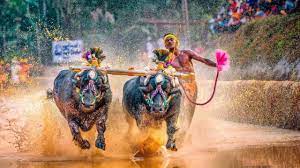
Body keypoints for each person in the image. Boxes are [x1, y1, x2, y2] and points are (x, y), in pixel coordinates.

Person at [152, 33, 217, 142]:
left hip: (191, 85)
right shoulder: (167, 59)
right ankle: (173, 133)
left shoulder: (187, 53)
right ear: (165, 45)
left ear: (176, 41)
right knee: (179, 108)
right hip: (179, 86)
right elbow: (161, 70)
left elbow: (204, 60)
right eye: (167, 41)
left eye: (171, 39)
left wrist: (216, 65)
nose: (169, 42)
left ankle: (185, 133)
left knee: (190, 111)